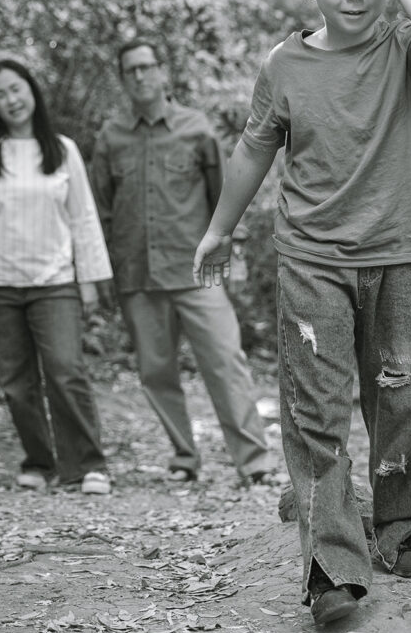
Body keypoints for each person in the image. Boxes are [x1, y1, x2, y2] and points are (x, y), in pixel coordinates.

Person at [193, 0, 411, 625]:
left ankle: (398, 525)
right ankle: (330, 566)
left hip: (394, 260)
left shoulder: (402, 46)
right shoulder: (283, 66)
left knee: (404, 401)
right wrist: (219, 230)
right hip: (312, 261)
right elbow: (252, 150)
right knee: (316, 414)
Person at [90, 38, 273, 484]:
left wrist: (234, 252)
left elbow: (224, 195)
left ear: (162, 71)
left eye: (147, 66)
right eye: (130, 69)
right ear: (123, 78)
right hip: (137, 275)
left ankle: (254, 462)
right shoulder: (110, 137)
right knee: (156, 371)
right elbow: (101, 210)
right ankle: (184, 457)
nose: (140, 75)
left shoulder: (196, 129)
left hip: (198, 272)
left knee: (225, 360)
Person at [0, 58, 113, 496]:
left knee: (65, 370)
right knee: (17, 384)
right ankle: (39, 463)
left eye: (16, 89)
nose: (11, 100)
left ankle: (88, 465)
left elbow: (83, 218)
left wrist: (90, 278)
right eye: (0, 95)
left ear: (32, 92)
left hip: (55, 282)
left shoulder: (62, 149)